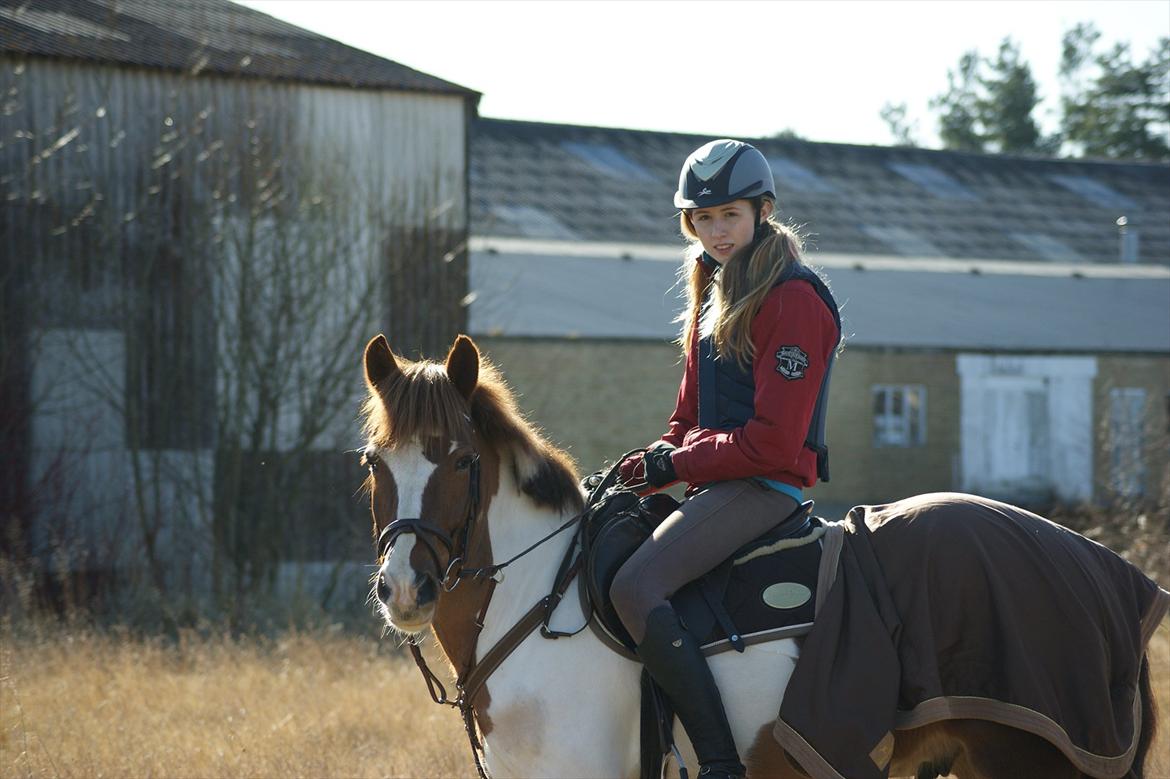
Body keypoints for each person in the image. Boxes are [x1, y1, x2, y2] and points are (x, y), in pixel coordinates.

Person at [609, 139, 841, 779]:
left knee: (636, 585)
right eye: (703, 219)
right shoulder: (711, 291)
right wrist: (652, 460)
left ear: (762, 211)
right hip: (717, 480)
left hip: (765, 486)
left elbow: (771, 443)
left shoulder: (795, 299)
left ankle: (718, 763)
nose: (716, 231)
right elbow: (687, 421)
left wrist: (679, 465)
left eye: (729, 216)